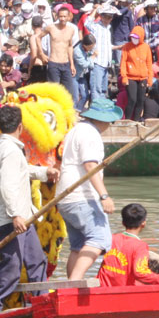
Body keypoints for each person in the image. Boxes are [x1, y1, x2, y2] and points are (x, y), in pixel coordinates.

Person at [0, 106, 59, 316]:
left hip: (22, 217)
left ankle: (41, 301)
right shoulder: (8, 149)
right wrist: (16, 214)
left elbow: (23, 170)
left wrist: (45, 172)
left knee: (37, 261)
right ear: (20, 126)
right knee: (12, 264)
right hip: (12, 219)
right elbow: (7, 184)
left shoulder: (3, 146)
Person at [57, 99, 121, 280]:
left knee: (78, 245)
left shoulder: (77, 130)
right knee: (100, 239)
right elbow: (90, 165)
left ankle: (72, 285)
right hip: (81, 196)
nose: (110, 124)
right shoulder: (90, 133)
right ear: (102, 119)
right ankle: (74, 281)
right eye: (109, 120)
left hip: (65, 197)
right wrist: (104, 195)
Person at [41, 4, 79, 100]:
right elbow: (37, 37)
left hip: (66, 63)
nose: (62, 18)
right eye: (60, 16)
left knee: (68, 92)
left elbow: (70, 46)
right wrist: (41, 54)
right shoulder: (51, 27)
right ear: (57, 16)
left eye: (64, 16)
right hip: (54, 63)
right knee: (54, 91)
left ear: (69, 17)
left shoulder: (71, 30)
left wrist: (72, 64)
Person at [120, 26, 153, 122]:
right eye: (132, 37)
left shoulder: (146, 47)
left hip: (143, 78)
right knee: (132, 99)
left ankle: (136, 121)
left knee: (141, 100)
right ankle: (127, 120)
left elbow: (149, 64)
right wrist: (124, 77)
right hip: (130, 77)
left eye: (136, 37)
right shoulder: (126, 47)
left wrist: (149, 80)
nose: (134, 39)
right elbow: (123, 63)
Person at [85, 5, 116, 103]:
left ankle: (101, 112)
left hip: (106, 63)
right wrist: (95, 10)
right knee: (96, 89)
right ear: (101, 16)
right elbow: (87, 23)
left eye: (110, 17)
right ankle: (95, 111)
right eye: (106, 17)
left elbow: (107, 46)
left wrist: (119, 47)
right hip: (97, 62)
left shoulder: (108, 29)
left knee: (103, 90)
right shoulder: (96, 26)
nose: (108, 19)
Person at [110, 0, 136, 67]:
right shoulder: (114, 9)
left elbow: (131, 26)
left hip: (127, 39)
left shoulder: (129, 11)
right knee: (120, 62)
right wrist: (127, 8)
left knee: (128, 61)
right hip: (118, 40)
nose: (129, 4)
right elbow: (118, 14)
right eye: (127, 2)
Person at [72, 34, 96, 111]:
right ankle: (73, 112)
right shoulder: (77, 51)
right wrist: (92, 57)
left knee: (85, 95)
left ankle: (78, 110)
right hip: (74, 76)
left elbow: (91, 66)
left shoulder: (87, 50)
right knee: (75, 97)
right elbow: (84, 64)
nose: (92, 48)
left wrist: (90, 58)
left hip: (82, 75)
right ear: (85, 45)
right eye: (91, 47)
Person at [26, 16, 48, 84]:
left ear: (32, 26)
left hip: (38, 66)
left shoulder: (33, 37)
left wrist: (29, 68)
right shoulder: (47, 35)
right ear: (42, 25)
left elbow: (34, 55)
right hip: (47, 65)